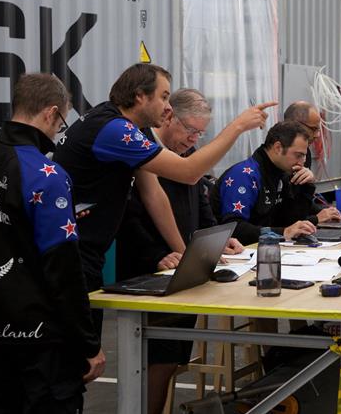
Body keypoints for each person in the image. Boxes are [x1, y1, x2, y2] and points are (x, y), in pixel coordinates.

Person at [53, 63, 275, 335]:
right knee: (78, 355)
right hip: (70, 251)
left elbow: (153, 194)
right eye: (164, 96)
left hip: (88, 250)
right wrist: (238, 126)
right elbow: (189, 172)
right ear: (139, 96)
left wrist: (185, 256)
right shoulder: (113, 129)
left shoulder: (135, 129)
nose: (168, 107)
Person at [0, 73, 105, 414]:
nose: (58, 132)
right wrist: (88, 344)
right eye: (62, 122)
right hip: (44, 341)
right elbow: (64, 269)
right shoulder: (48, 174)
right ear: (52, 113)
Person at [115, 89, 247, 414]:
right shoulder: (146, 157)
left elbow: (201, 207)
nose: (194, 139)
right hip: (148, 270)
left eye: (201, 133)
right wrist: (154, 254)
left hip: (183, 269)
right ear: (169, 116)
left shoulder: (187, 157)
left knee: (171, 359)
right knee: (155, 362)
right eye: (191, 130)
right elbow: (127, 216)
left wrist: (219, 239)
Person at [212, 121, 329, 244]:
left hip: (265, 248)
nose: (302, 162)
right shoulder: (244, 175)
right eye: (298, 155)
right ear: (278, 148)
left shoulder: (282, 173)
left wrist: (306, 186)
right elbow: (235, 228)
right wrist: (282, 233)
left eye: (304, 156)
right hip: (237, 253)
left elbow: (292, 222)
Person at [282, 101, 341, 224]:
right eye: (313, 129)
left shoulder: (305, 153)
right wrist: (316, 218)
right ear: (295, 124)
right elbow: (283, 216)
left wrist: (323, 211)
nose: (317, 135)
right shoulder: (281, 158)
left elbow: (300, 202)